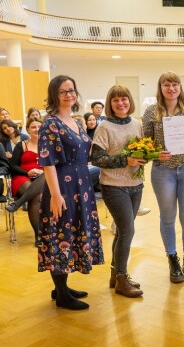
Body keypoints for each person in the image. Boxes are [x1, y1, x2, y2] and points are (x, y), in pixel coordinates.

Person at [38, 75, 104, 310]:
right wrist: (56, 195)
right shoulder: (50, 123)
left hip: (81, 186)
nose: (69, 95)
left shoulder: (76, 121)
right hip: (62, 187)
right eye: (63, 91)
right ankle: (62, 294)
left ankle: (62, 288)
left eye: (72, 90)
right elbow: (47, 162)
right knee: (60, 234)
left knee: (72, 233)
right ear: (54, 94)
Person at [91, 85, 159, 297]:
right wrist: (125, 160)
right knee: (128, 232)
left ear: (130, 101)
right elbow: (97, 158)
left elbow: (142, 149)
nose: (121, 104)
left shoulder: (136, 124)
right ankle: (122, 278)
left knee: (122, 232)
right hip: (113, 186)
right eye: (116, 100)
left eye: (124, 100)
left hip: (135, 185)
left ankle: (115, 275)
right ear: (110, 104)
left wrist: (147, 156)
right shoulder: (104, 127)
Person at [143, 72, 184, 283]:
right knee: (167, 217)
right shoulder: (151, 112)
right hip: (163, 170)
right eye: (166, 85)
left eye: (175, 84)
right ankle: (172, 259)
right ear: (160, 88)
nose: (171, 88)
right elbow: (145, 144)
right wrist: (154, 153)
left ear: (180, 87)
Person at [7, 117, 44, 242]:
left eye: (39, 127)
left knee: (45, 180)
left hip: (44, 177)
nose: (36, 129)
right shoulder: (21, 145)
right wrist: (27, 172)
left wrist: (42, 171)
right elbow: (13, 165)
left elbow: (55, 165)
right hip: (23, 176)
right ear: (28, 129)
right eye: (33, 127)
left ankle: (18, 203)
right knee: (35, 196)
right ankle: (38, 236)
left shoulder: (49, 145)